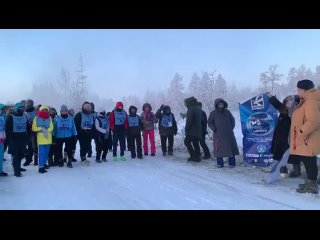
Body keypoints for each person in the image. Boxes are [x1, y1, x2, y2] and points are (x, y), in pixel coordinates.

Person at [289, 80, 320, 194]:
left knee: (309, 161)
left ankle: (312, 186)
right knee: (308, 161)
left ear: (303, 90)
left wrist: (301, 131)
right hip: (306, 138)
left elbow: (314, 121)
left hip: (308, 138)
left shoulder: (311, 101)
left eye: (298, 90)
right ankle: (310, 182)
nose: (297, 92)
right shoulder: (306, 100)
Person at [266, 92, 300, 177]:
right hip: (280, 138)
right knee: (279, 155)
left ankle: (296, 171)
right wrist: (270, 96)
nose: (287, 103)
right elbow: (276, 103)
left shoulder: (297, 113)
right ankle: (282, 170)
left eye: (289, 102)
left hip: (291, 138)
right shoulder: (283, 110)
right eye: (286, 102)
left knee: (293, 156)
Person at [208, 98, 239, 168]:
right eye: (219, 104)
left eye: (222, 104)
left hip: (228, 134)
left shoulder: (227, 112)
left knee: (230, 148)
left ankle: (232, 163)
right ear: (216, 105)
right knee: (219, 149)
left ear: (224, 104)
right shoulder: (213, 113)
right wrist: (214, 129)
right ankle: (220, 163)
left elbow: (232, 120)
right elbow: (210, 122)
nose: (221, 105)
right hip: (218, 134)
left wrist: (230, 128)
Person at [6, 102, 29, 177]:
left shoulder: (25, 116)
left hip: (22, 138)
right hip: (14, 138)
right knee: (15, 155)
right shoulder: (11, 117)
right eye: (20, 108)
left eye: (23, 108)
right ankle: (17, 171)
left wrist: (27, 138)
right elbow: (7, 129)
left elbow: (27, 127)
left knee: (21, 155)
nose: (22, 109)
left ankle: (18, 167)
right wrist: (9, 140)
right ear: (16, 109)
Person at [32, 106, 54, 174]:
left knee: (46, 153)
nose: (45, 111)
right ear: (41, 110)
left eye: (46, 110)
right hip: (41, 139)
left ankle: (44, 163)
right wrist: (41, 128)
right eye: (43, 110)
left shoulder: (49, 118)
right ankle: (41, 167)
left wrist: (46, 131)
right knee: (42, 153)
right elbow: (34, 128)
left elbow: (51, 127)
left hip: (48, 138)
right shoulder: (36, 118)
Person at [184, 97, 202, 162]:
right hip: (198, 130)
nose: (185, 104)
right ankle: (197, 156)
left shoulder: (191, 109)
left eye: (186, 103)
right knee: (195, 143)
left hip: (192, 130)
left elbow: (189, 121)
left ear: (189, 103)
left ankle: (193, 156)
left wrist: (186, 128)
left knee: (186, 142)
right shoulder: (198, 109)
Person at [24, 99, 38, 166]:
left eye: (29, 104)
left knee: (33, 146)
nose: (28, 105)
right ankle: (29, 159)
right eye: (27, 104)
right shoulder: (24, 112)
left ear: (32, 105)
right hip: (26, 131)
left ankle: (35, 159)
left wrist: (32, 123)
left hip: (34, 131)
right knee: (27, 146)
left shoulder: (35, 111)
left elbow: (38, 120)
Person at [0, 104, 8, 176]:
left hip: (1, 138)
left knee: (1, 156)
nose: (1, 111)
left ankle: (0, 171)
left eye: (1, 110)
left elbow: (5, 127)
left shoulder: (3, 117)